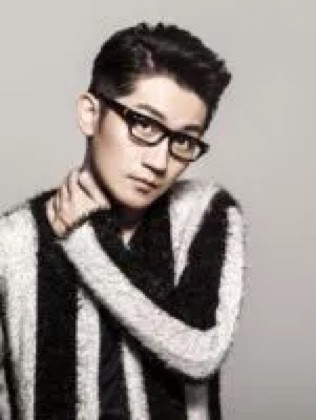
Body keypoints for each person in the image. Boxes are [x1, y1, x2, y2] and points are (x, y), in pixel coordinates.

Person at [0, 22, 245, 419]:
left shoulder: (202, 214)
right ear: (90, 113)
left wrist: (87, 237)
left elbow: (200, 350)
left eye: (184, 140)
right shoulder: (13, 242)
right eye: (144, 124)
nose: (160, 162)